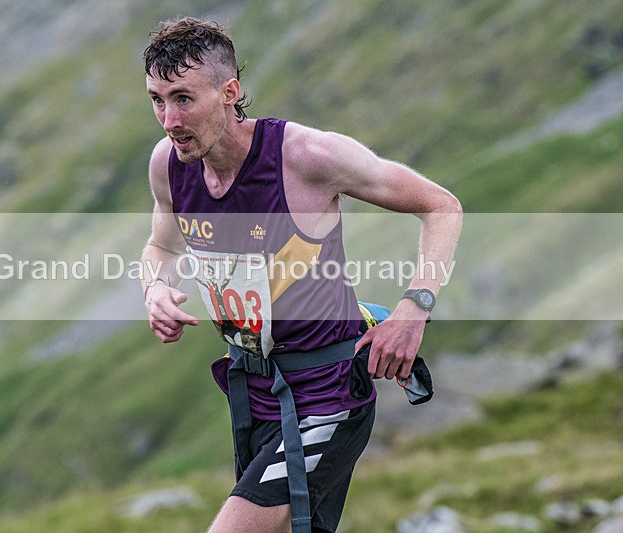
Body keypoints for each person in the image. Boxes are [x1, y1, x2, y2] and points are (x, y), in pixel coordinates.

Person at [140, 16, 462, 533]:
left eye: (183, 98)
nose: (169, 119)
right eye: (157, 99)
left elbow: (442, 207)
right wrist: (155, 288)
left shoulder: (306, 157)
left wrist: (413, 309)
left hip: (329, 396)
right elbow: (160, 245)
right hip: (256, 395)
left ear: (230, 91)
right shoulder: (168, 166)